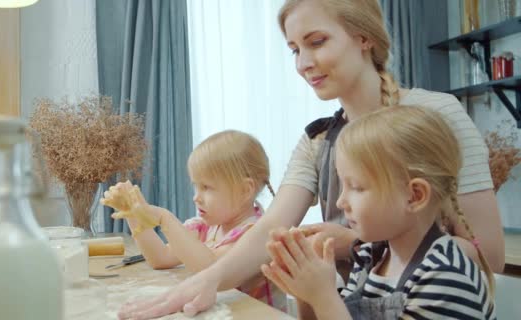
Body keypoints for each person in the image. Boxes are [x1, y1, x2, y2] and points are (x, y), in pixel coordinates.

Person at [117, 0, 504, 318]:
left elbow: (490, 255)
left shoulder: (437, 114)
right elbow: (270, 226)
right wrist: (204, 282)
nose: (302, 63)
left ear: (363, 37)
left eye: (316, 42)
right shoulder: (317, 138)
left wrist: (353, 243)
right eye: (294, 50)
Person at [261, 106, 496, 319]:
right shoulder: (370, 256)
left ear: (414, 196)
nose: (342, 202)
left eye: (357, 187)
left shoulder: (444, 278)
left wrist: (324, 297)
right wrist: (306, 293)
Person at [101, 130, 287, 311]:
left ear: (245, 190)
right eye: (195, 186)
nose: (196, 197)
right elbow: (160, 259)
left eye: (206, 187)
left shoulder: (256, 233)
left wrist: (165, 218)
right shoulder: (203, 227)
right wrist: (132, 213)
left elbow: (210, 269)